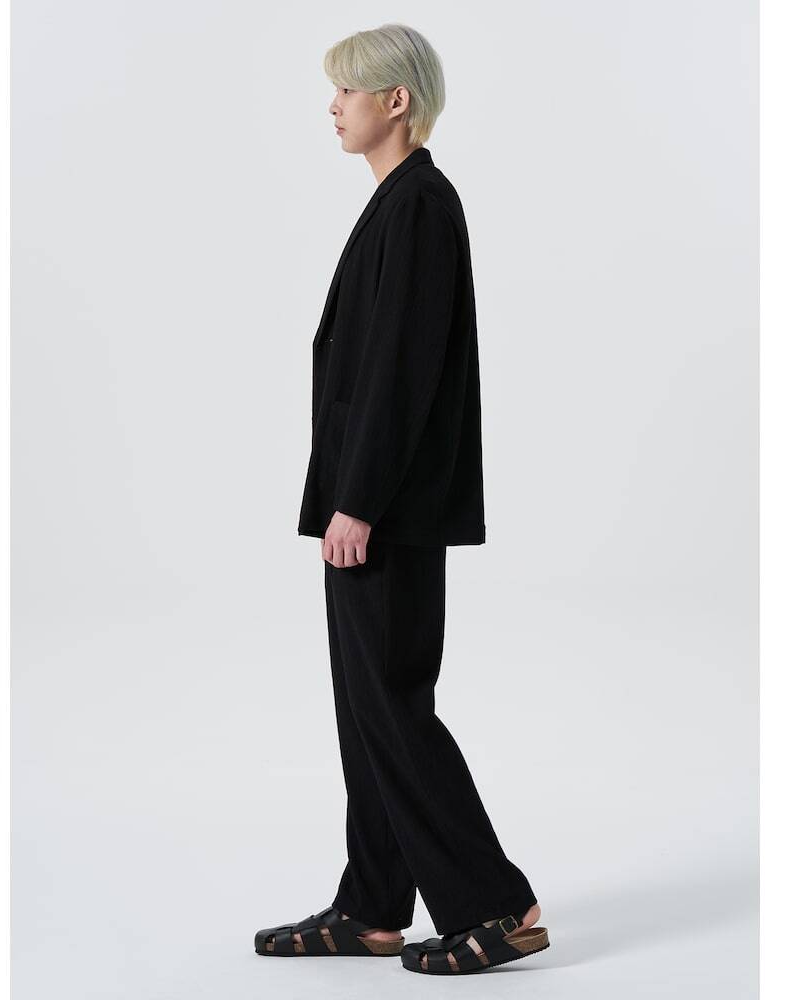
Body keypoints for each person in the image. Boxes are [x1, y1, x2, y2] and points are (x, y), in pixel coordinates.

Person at [255, 23, 549, 976]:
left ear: (397, 101)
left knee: (392, 704)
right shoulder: (398, 203)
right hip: (372, 503)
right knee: (367, 708)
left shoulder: (420, 203)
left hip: (384, 509)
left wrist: (359, 501)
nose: (333, 107)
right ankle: (373, 906)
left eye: (347, 90)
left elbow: (401, 368)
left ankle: (496, 905)